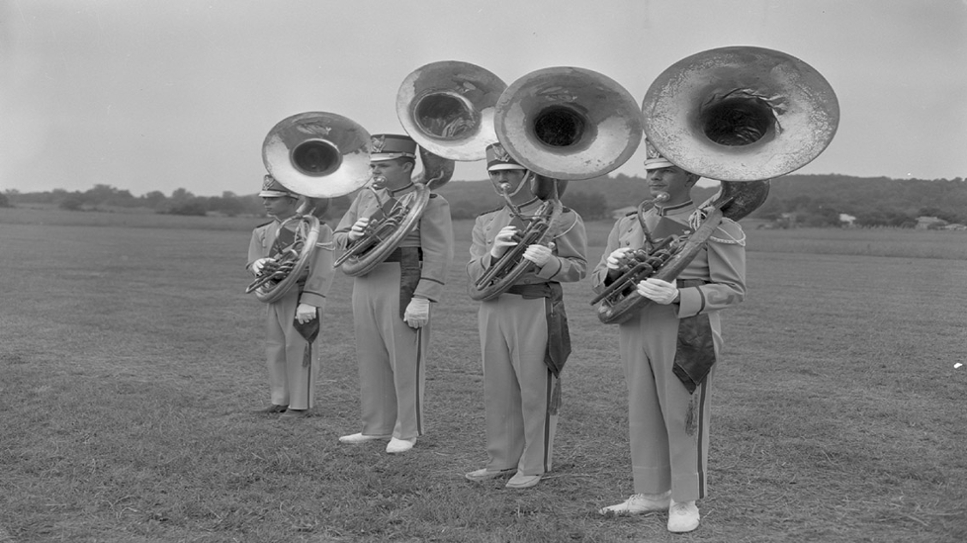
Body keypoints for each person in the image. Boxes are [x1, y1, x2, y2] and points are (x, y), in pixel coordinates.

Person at [591, 144, 747, 533]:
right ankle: (651, 491)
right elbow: (599, 278)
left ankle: (684, 497)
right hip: (634, 323)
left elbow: (732, 289)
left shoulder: (717, 223)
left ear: (692, 177)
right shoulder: (629, 222)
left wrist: (681, 296)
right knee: (642, 409)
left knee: (683, 415)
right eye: (651, 170)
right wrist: (610, 271)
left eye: (667, 170)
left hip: (685, 327)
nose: (655, 177)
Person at [464, 143, 587, 489]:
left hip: (535, 304)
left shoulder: (562, 217)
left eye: (510, 172)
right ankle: (501, 459)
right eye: (496, 173)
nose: (502, 180)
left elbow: (578, 268)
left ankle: (534, 464)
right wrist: (493, 254)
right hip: (493, 307)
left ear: (528, 174)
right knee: (498, 388)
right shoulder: (486, 221)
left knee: (535, 389)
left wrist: (548, 263)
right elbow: (473, 272)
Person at [334, 134, 454, 454]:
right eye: (373, 165)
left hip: (403, 278)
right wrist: (351, 234)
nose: (376, 171)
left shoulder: (430, 201)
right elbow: (338, 236)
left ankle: (407, 429)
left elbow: (439, 253)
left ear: (406, 165)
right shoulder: (365, 198)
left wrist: (424, 296)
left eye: (384, 165)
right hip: (366, 278)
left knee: (405, 360)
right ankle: (376, 426)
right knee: (370, 356)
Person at [246, 175, 335, 419]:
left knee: (300, 348)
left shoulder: (318, 229)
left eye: (273, 198)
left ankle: (301, 403)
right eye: (265, 198)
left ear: (292, 199)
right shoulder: (262, 231)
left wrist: (311, 300)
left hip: (300, 294)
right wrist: (258, 266)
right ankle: (280, 399)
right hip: (275, 294)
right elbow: (252, 261)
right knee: (276, 348)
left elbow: (323, 268)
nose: (266, 202)